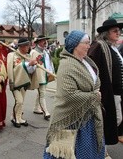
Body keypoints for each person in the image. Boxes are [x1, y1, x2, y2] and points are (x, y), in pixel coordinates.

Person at [43, 30, 105, 159]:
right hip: (72, 119)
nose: (89, 46)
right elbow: (69, 95)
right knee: (72, 153)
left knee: (91, 152)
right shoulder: (67, 65)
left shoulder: (85, 61)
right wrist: (94, 96)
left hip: (89, 116)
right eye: (86, 43)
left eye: (89, 43)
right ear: (76, 44)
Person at [88, 18, 123, 156]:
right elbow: (90, 67)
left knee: (116, 119)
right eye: (115, 31)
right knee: (109, 120)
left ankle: (101, 147)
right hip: (107, 92)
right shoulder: (98, 46)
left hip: (117, 91)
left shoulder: (113, 47)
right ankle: (101, 149)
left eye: (119, 30)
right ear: (106, 33)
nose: (118, 33)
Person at [7, 38, 37, 128]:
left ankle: (19, 117)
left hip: (25, 81)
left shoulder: (28, 56)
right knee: (19, 101)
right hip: (16, 82)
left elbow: (30, 71)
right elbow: (15, 68)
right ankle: (14, 118)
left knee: (22, 101)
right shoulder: (12, 55)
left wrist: (33, 65)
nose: (29, 47)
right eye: (27, 45)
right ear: (21, 47)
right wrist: (28, 64)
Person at [30, 35, 55, 120]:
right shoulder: (34, 52)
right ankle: (46, 112)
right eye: (43, 40)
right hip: (39, 76)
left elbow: (49, 63)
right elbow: (31, 65)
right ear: (38, 42)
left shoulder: (46, 52)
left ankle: (36, 108)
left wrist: (51, 72)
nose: (45, 42)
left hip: (46, 75)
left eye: (46, 40)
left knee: (41, 92)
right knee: (42, 94)